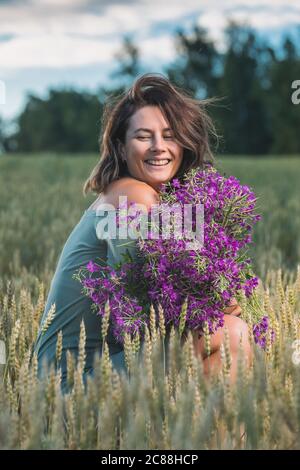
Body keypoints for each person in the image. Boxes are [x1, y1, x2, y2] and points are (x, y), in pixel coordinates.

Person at [33, 73, 253, 392]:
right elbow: (142, 311)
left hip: (95, 371)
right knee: (233, 333)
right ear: (121, 148)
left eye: (169, 134)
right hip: (68, 385)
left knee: (221, 341)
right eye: (143, 136)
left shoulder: (152, 199)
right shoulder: (131, 193)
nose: (158, 147)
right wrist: (221, 295)